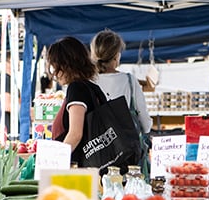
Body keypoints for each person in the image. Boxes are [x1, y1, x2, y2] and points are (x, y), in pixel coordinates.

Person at [91, 29, 152, 175]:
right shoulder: (130, 81)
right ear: (117, 55)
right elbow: (145, 123)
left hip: (95, 159)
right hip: (127, 160)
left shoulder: (87, 82)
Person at [47, 36, 108, 167]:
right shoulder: (92, 88)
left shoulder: (77, 89)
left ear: (65, 65)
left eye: (55, 67)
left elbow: (75, 134)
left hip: (80, 168)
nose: (55, 74)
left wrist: (55, 162)